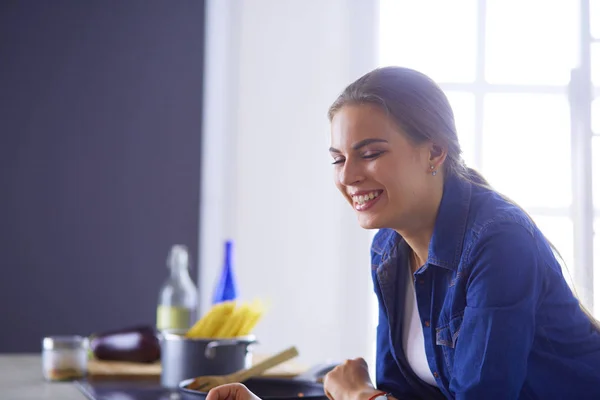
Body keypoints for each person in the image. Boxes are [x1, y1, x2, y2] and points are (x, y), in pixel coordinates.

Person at [206, 66, 600, 400]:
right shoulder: (388, 249)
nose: (347, 176)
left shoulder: (499, 243)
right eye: (338, 159)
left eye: (371, 153)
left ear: (434, 152)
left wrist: (359, 394)